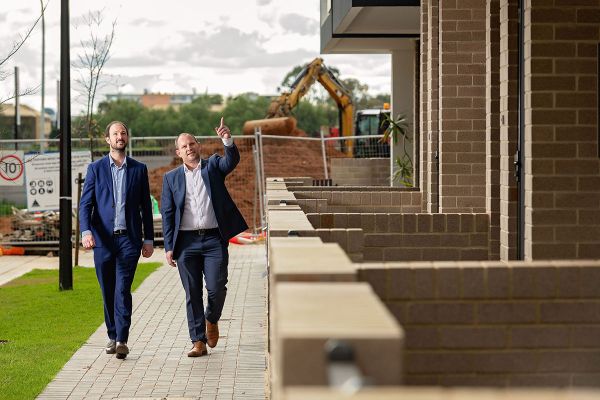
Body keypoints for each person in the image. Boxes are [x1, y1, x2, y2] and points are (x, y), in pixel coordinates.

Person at [160, 117, 248, 357]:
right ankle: (197, 341)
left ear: (198, 146)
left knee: (217, 287)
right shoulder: (171, 179)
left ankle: (212, 318)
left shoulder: (213, 166)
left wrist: (227, 140)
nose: (189, 148)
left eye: (192, 144)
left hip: (213, 240)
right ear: (178, 152)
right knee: (192, 291)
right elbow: (168, 214)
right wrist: (169, 246)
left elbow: (232, 160)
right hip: (186, 243)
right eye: (184, 146)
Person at [79, 121, 155, 360]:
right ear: (107, 140)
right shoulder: (96, 169)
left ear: (127, 137)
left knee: (122, 290)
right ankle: (112, 334)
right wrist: (86, 231)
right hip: (102, 240)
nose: (120, 136)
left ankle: (122, 339)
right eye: (115, 134)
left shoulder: (138, 169)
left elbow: (145, 206)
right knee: (108, 289)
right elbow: (85, 204)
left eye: (123, 132)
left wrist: (149, 238)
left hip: (129, 241)